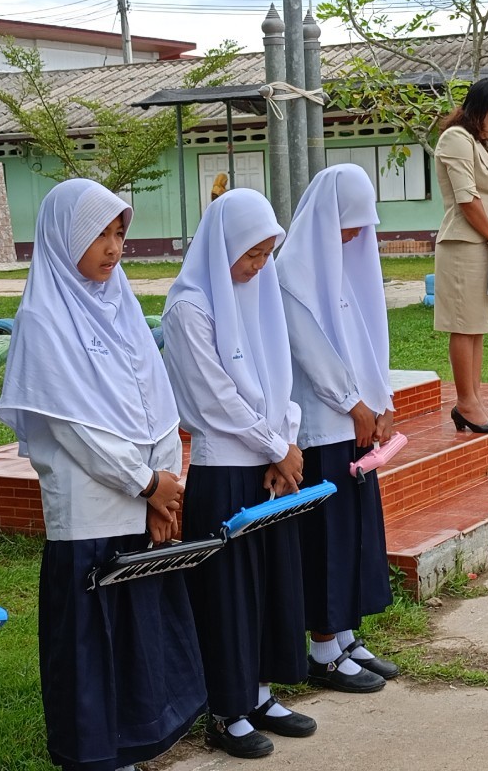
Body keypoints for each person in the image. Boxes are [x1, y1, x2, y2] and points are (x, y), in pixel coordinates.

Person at [0, 178, 204, 771]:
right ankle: (94, 758)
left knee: (138, 644)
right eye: (98, 235)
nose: (114, 248)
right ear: (64, 239)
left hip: (144, 505)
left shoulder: (123, 305)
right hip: (90, 514)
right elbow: (73, 428)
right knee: (91, 648)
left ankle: (130, 752)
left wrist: (164, 488)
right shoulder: (43, 319)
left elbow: (159, 404)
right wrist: (147, 484)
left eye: (119, 233)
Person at [161, 188, 314, 760]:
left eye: (266, 254)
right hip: (225, 473)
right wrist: (276, 446)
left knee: (271, 587)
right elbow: (215, 399)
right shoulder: (189, 308)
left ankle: (261, 693)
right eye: (250, 254)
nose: (258, 266)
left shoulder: (259, 293)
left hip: (269, 469)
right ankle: (227, 710)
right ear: (222, 245)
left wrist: (286, 442)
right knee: (229, 597)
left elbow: (282, 376)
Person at [275, 165, 397, 695]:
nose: (355, 235)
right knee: (326, 540)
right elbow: (314, 354)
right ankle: (323, 649)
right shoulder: (292, 272)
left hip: (357, 427)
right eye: (350, 224)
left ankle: (345, 635)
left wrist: (382, 402)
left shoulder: (342, 267)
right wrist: (354, 403)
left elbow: (368, 339)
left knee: (354, 537)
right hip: (323, 428)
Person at [433, 77, 488, 434]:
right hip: (463, 245)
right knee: (464, 325)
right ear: (480, 109)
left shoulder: (481, 144)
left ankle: (474, 400)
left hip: (485, 245)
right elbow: (467, 198)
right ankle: (466, 402)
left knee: (478, 327)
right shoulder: (456, 139)